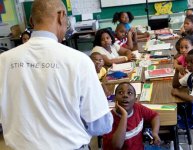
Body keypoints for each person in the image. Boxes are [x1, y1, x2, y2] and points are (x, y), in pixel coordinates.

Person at [0, 0, 113, 149]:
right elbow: (100, 125)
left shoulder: (3, 60)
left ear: (31, 21)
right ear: (61, 16)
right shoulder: (79, 61)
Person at [103, 82, 161, 150]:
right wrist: (124, 116)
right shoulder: (108, 119)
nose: (125, 95)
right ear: (115, 99)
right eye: (120, 92)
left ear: (135, 100)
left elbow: (155, 116)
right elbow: (117, 146)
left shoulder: (138, 108)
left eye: (129, 93)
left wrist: (155, 133)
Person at [172, 48, 193, 129]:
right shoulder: (191, 74)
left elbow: (192, 99)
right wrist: (176, 71)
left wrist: (177, 93)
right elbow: (175, 85)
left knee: (174, 121)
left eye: (192, 62)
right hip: (191, 107)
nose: (188, 64)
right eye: (187, 62)